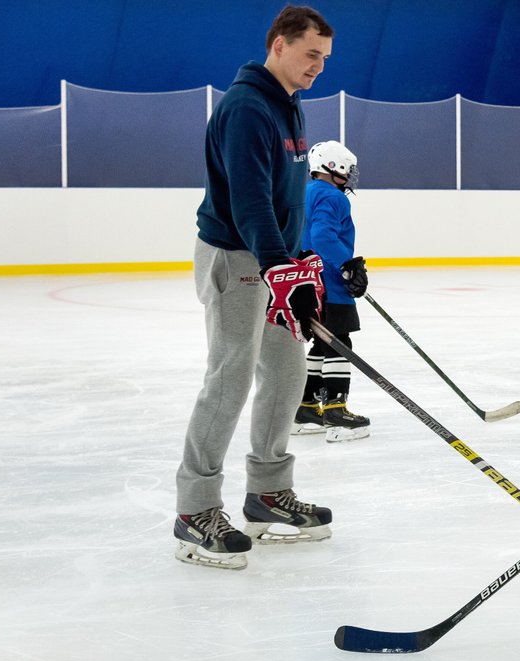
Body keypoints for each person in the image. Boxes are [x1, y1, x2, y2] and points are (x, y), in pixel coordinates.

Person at [173, 6, 336, 570]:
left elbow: (284, 197)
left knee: (287, 372)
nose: (319, 67)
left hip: (272, 259)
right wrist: (278, 266)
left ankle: (266, 494)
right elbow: (248, 202)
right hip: (236, 258)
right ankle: (195, 509)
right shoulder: (246, 108)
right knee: (231, 375)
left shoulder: (289, 104)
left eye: (324, 57)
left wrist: (302, 258)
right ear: (279, 45)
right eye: (311, 54)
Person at [291, 140, 372, 443]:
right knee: (339, 342)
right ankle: (336, 411)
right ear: (332, 168)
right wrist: (348, 264)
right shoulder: (333, 197)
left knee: (322, 344)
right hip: (330, 283)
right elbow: (323, 235)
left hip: (307, 282)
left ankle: (306, 408)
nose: (350, 175)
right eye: (347, 169)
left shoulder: (303, 193)